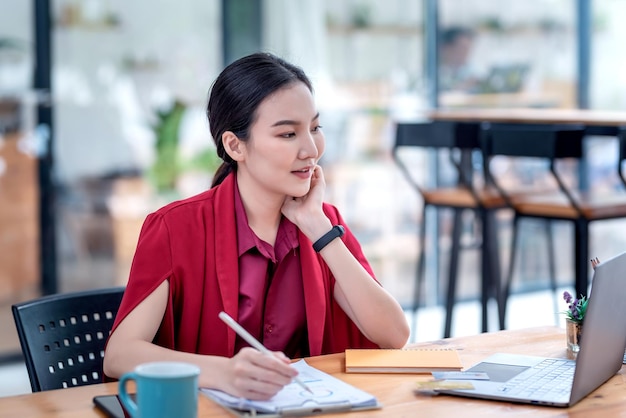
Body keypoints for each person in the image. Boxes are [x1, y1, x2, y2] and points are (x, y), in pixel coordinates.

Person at [103, 52, 410, 400]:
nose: (311, 150)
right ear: (235, 145)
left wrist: (319, 230)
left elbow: (393, 334)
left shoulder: (325, 225)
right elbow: (120, 355)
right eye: (288, 134)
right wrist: (223, 372)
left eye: (315, 128)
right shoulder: (175, 228)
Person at [438, 26, 478, 92]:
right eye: (462, 48)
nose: (466, 53)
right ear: (446, 48)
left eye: (468, 48)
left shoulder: (474, 72)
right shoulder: (435, 73)